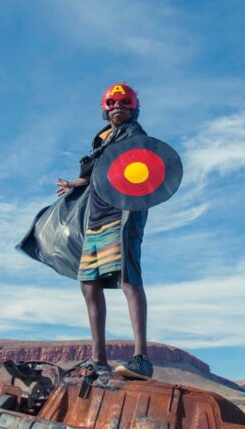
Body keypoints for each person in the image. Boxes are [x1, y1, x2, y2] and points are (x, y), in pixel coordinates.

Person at [55, 82, 153, 380]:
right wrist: (74, 183)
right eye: (111, 103)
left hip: (122, 214)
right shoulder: (101, 140)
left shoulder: (136, 136)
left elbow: (142, 170)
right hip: (96, 217)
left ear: (133, 106)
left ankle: (142, 359)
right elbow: (100, 173)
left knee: (127, 278)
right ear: (104, 109)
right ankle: (99, 360)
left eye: (123, 102)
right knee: (88, 282)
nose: (117, 106)